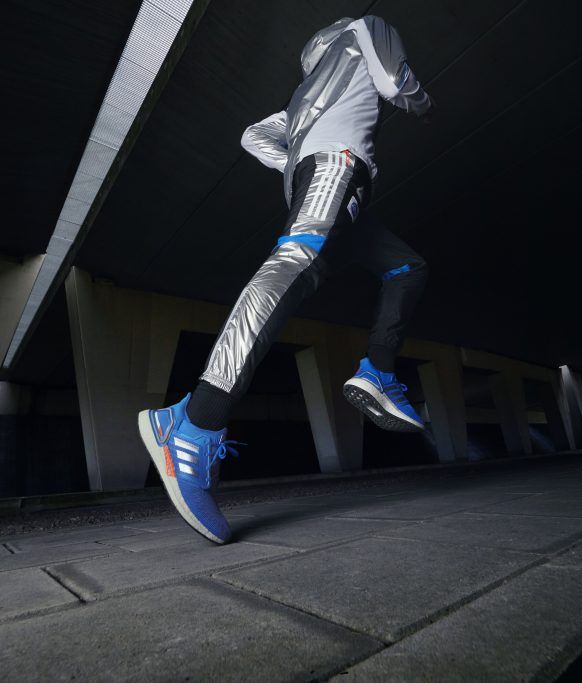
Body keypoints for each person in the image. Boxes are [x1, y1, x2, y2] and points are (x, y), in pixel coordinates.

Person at [138, 16, 433, 544]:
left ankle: (379, 371)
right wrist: (423, 102)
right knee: (295, 262)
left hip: (335, 186)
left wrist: (296, 160)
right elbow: (397, 85)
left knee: (407, 266)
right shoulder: (366, 29)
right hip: (338, 169)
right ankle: (195, 426)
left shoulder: (301, 100)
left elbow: (253, 137)